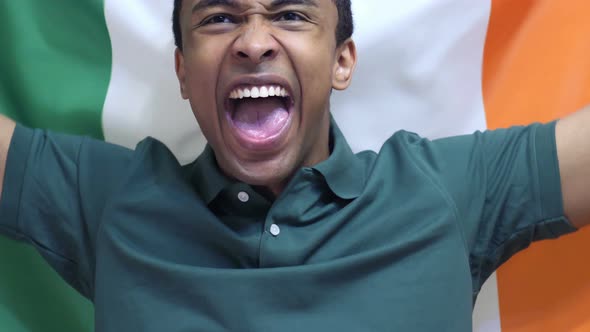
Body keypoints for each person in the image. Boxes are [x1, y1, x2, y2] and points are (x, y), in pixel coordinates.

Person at [0, 0, 588, 331]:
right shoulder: (109, 199)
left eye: (290, 15)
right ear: (182, 72)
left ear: (342, 62)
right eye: (219, 18)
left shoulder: (446, 190)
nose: (254, 42)